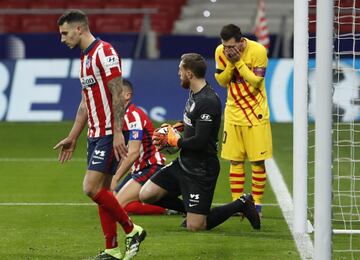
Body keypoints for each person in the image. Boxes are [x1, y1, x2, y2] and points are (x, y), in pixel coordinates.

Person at [53, 10, 146, 260]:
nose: (62, 39)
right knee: (104, 193)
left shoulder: (104, 52)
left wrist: (117, 133)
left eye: (65, 33)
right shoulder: (84, 59)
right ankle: (112, 248)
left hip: (108, 132)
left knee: (90, 187)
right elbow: (85, 102)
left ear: (79, 29)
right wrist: (73, 136)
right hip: (95, 134)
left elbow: (118, 93)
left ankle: (132, 229)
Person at [139, 53, 260, 231]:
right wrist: (180, 127)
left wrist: (175, 141)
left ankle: (242, 203)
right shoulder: (194, 93)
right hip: (185, 162)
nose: (178, 73)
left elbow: (201, 142)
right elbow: (194, 124)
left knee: (196, 226)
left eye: (180, 70)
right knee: (147, 194)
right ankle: (194, 211)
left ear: (189, 73)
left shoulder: (208, 101)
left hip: (202, 169)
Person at [214, 24, 273, 216]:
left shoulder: (258, 50)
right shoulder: (220, 52)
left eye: (231, 46)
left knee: (257, 162)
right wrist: (231, 63)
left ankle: (256, 206)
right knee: (235, 161)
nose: (228, 50)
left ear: (241, 41)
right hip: (233, 113)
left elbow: (256, 81)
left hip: (256, 113)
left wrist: (238, 62)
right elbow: (222, 81)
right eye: (225, 46)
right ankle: (237, 205)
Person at [110, 79, 168, 215]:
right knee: (112, 201)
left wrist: (115, 178)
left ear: (127, 96)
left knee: (118, 206)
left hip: (151, 167)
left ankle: (167, 209)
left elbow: (134, 153)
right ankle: (158, 200)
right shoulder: (123, 116)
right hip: (138, 169)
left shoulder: (133, 116)